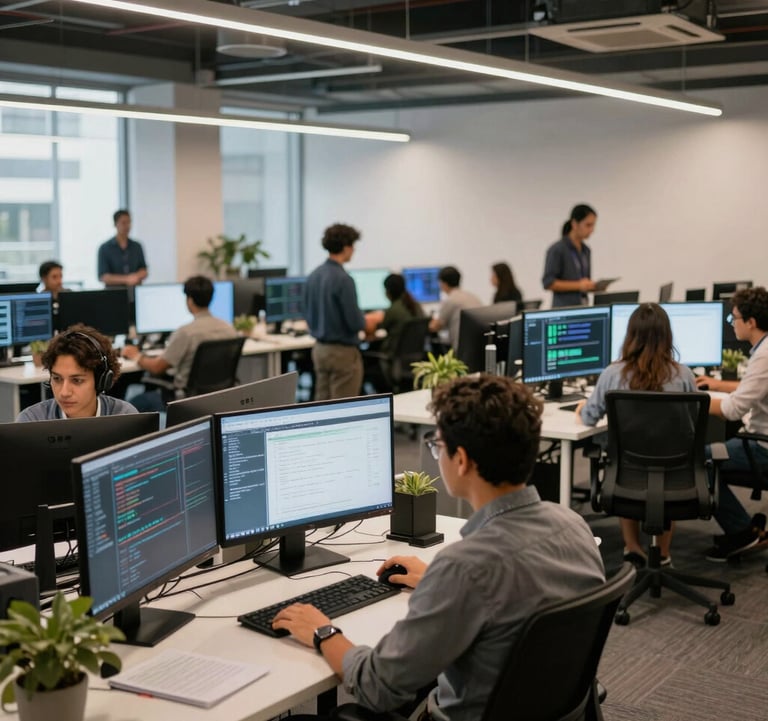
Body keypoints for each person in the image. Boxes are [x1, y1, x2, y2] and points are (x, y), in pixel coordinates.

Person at [272, 375, 605, 721]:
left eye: (438, 445)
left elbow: (377, 687)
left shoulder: (465, 568)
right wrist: (438, 580)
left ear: (461, 460)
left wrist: (322, 631)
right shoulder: (574, 528)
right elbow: (516, 590)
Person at [575, 303, 696, 567]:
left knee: (626, 460)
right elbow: (692, 425)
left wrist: (583, 406)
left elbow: (588, 418)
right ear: (667, 336)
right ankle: (663, 554)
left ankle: (631, 547)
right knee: (668, 463)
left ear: (630, 336)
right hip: (675, 475)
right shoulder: (684, 375)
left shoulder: (612, 374)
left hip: (625, 475)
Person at [695, 287, 768, 561]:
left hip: (761, 446)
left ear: (750, 322)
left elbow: (732, 410)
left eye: (733, 318)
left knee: (697, 462)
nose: (731, 323)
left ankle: (741, 533)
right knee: (710, 455)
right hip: (760, 438)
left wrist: (691, 397)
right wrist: (718, 385)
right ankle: (743, 527)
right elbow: (754, 387)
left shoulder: (763, 355)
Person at [122, 276, 237, 411]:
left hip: (184, 400)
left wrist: (136, 355)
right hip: (216, 397)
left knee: (130, 404)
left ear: (190, 300)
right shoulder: (229, 329)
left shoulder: (186, 333)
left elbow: (157, 368)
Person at [17, 324, 136, 421]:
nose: (64, 393)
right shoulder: (32, 421)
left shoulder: (125, 416)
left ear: (101, 382)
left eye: (77, 380)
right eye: (57, 379)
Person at [303, 223, 366, 401]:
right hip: (342, 353)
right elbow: (355, 323)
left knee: (322, 405)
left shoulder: (313, 276)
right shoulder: (344, 279)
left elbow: (307, 313)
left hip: (320, 350)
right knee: (343, 407)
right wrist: (366, 320)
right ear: (346, 248)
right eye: (353, 246)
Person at [363, 273, 425, 391]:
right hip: (413, 357)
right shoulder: (415, 305)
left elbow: (378, 329)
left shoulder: (394, 310)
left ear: (388, 291)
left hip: (392, 357)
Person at [542, 204, 598, 308]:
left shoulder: (586, 250)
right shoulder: (557, 249)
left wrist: (593, 286)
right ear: (575, 224)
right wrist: (579, 285)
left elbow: (584, 281)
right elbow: (548, 283)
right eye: (588, 225)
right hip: (564, 309)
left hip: (583, 306)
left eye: (593, 225)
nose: (592, 230)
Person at [428, 266, 481, 350]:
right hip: (478, 344)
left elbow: (434, 326)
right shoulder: (471, 296)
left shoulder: (451, 300)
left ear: (443, 284)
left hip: (462, 347)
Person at [98, 209, 148, 287]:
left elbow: (144, 270)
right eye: (123, 223)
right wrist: (127, 279)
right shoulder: (105, 248)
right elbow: (104, 277)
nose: (127, 226)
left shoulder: (137, 246)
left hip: (134, 291)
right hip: (114, 293)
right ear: (115, 224)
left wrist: (136, 276)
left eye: (129, 222)